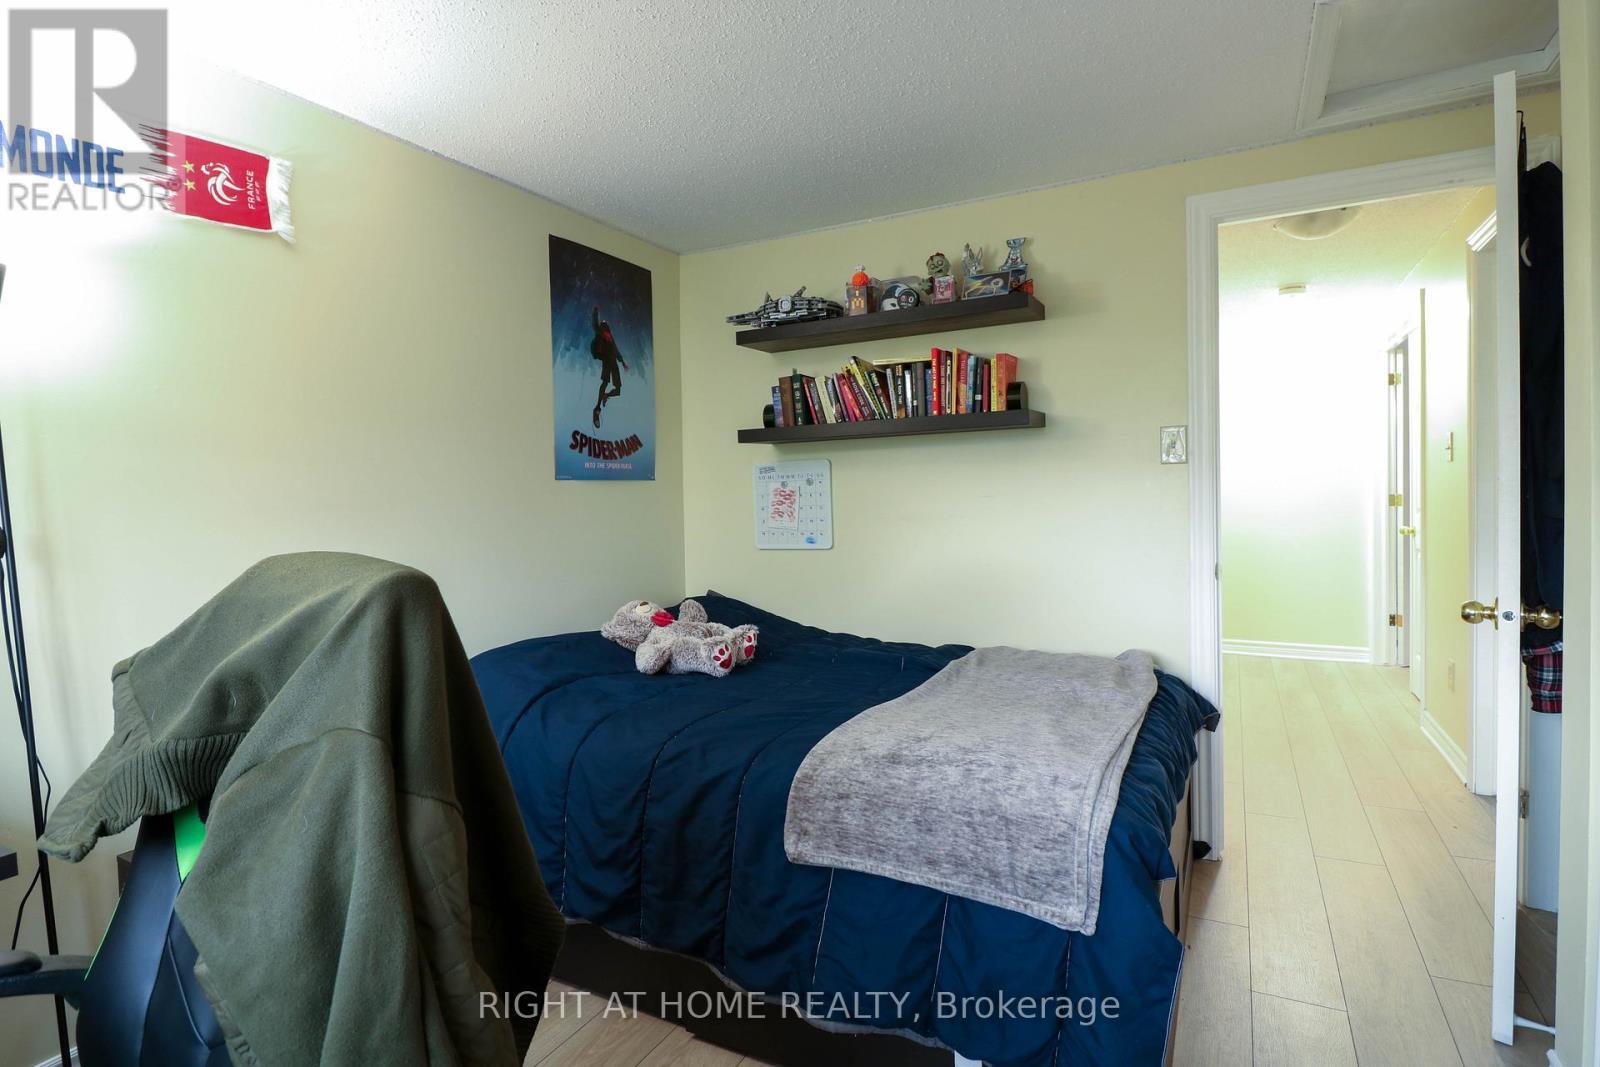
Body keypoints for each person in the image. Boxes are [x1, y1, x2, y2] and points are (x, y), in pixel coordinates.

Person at [591, 305, 629, 427]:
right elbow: (595, 325)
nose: (607, 333)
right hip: (607, 362)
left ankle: (606, 396)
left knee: (618, 391)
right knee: (605, 383)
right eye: (605, 331)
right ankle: (597, 409)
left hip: (613, 363)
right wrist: (595, 313)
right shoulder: (600, 334)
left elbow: (616, 350)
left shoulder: (610, 338)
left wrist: (622, 362)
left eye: (607, 331)